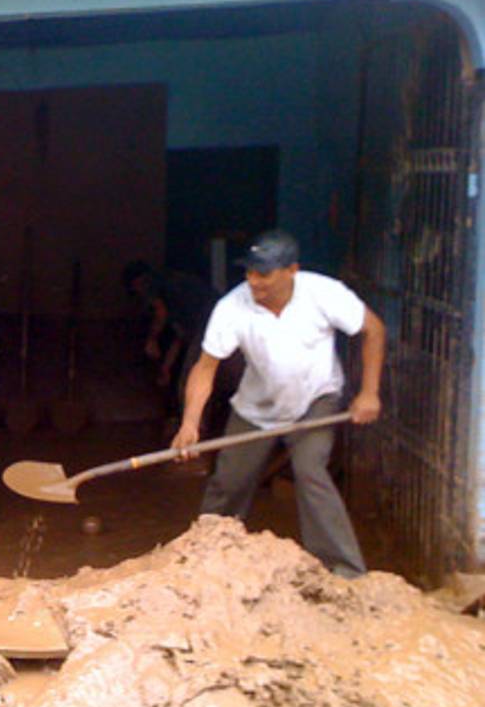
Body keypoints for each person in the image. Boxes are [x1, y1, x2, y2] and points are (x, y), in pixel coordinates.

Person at [171, 229, 386, 578]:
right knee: (228, 482)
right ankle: (203, 566)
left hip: (315, 400)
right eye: (250, 272)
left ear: (292, 270)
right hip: (256, 407)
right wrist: (190, 422)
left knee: (310, 471)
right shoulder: (232, 307)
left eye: (264, 273)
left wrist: (369, 392)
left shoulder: (324, 293)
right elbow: (205, 367)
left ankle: (345, 572)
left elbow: (373, 329)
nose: (254, 282)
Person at [121, 260, 219, 394]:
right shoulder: (175, 292)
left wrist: (152, 339)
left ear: (137, 283)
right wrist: (166, 368)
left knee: (191, 383)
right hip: (215, 320)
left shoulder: (154, 284)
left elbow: (161, 313)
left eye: (135, 289)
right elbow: (179, 338)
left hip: (209, 322)